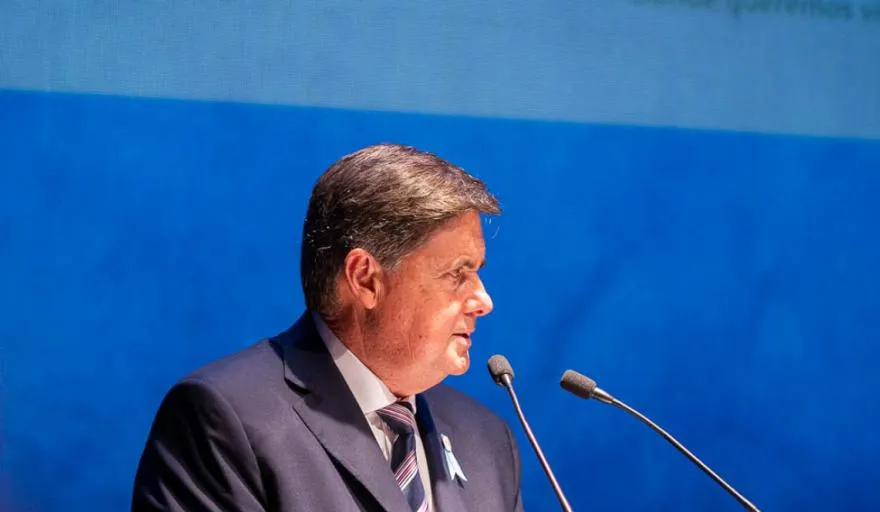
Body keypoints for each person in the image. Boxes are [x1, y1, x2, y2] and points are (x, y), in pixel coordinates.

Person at [131, 143, 524, 511]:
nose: (483, 301)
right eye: (457, 274)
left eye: (477, 272)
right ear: (365, 279)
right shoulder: (226, 419)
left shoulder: (488, 440)